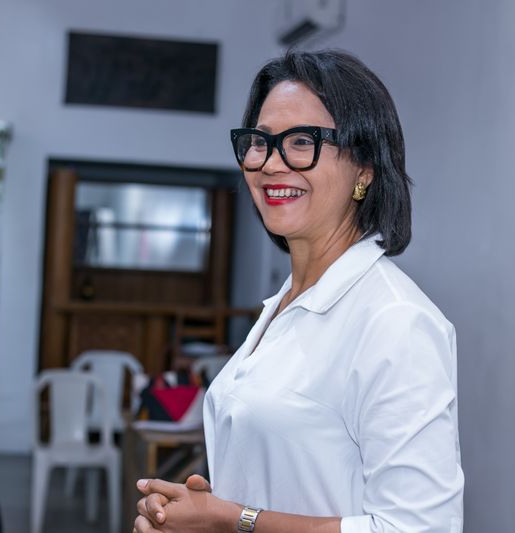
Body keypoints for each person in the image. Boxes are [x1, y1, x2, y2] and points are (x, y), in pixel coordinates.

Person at [134, 49, 464, 533]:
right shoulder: (284, 305)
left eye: (303, 141)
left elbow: (419, 529)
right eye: (260, 142)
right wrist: (197, 514)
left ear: (365, 168)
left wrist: (231, 519)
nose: (271, 163)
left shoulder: (395, 322)